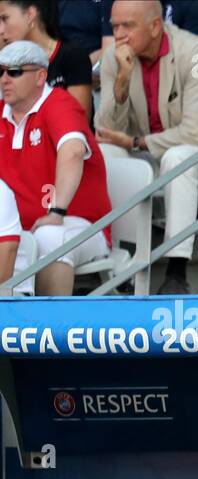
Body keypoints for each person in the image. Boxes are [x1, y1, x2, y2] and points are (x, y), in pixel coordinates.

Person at [95, 0, 198, 295]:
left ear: (155, 26)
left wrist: (137, 143)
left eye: (128, 25)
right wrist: (121, 82)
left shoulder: (193, 53)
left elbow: (196, 132)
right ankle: (114, 261)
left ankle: (176, 272)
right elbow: (106, 130)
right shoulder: (114, 58)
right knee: (103, 155)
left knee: (177, 158)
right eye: (114, 26)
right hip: (146, 152)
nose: (119, 34)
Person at [0, 40, 111, 296]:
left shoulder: (60, 104)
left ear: (41, 76)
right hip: (21, 227)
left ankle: (50, 329)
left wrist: (56, 210)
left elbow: (72, 151)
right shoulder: (2, 112)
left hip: (82, 223)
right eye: (0, 71)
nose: (5, 79)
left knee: (49, 236)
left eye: (14, 71)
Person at [0, 0, 91, 120]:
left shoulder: (72, 56)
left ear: (30, 14)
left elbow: (79, 122)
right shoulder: (6, 61)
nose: (1, 30)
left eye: (5, 19)